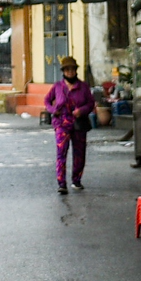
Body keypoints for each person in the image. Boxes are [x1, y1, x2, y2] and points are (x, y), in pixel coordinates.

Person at [44, 56, 95, 194]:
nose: (70, 72)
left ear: (76, 71)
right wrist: (54, 110)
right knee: (61, 153)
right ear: (63, 71)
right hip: (62, 123)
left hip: (78, 123)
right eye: (67, 70)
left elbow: (91, 103)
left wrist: (82, 110)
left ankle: (76, 180)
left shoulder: (83, 87)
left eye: (72, 69)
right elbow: (47, 101)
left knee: (79, 153)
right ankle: (61, 183)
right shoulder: (57, 86)